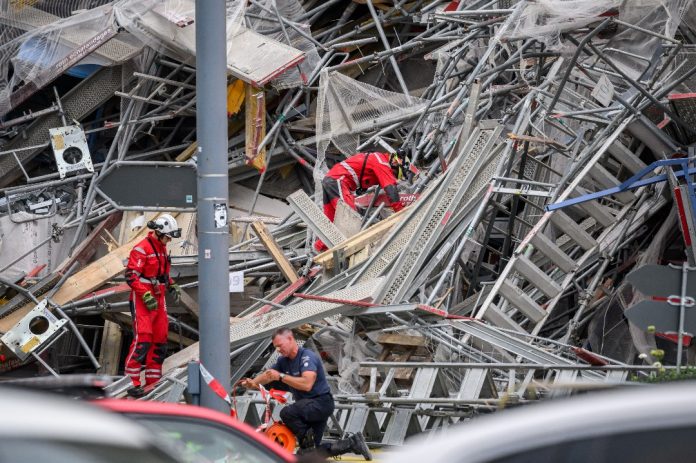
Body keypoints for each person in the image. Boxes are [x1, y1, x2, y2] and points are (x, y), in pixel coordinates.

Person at [240, 328, 372, 460]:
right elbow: (268, 375)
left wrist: (280, 376)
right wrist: (252, 383)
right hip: (307, 408)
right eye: (276, 347)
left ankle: (308, 444)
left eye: (280, 346)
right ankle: (353, 443)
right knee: (309, 456)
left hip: (320, 403)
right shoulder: (283, 361)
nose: (278, 350)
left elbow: (307, 384)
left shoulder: (306, 357)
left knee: (287, 413)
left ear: (291, 339)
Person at [123, 213, 182, 398]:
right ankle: (130, 382)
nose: (169, 240)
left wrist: (171, 284)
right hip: (143, 297)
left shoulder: (161, 247)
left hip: (158, 295)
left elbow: (161, 272)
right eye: (167, 236)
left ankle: (153, 382)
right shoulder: (141, 249)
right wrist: (145, 294)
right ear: (158, 232)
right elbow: (131, 276)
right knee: (143, 339)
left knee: (160, 339)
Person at [316, 147, 409, 251]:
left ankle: (320, 250)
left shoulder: (377, 158)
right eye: (394, 174)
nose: (391, 175)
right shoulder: (382, 162)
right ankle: (352, 250)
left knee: (332, 221)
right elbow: (390, 188)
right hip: (339, 180)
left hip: (331, 181)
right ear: (395, 164)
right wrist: (400, 213)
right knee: (350, 216)